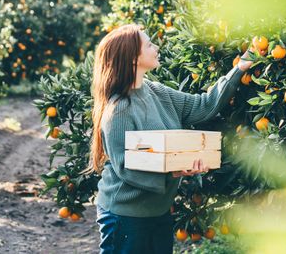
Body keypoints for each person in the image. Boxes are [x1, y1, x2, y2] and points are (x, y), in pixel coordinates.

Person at [87, 24, 252, 253]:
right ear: (133, 58)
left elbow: (203, 106)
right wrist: (172, 170)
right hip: (124, 215)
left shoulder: (157, 92)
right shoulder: (119, 110)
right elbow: (125, 167)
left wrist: (240, 69)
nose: (156, 48)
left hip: (159, 211)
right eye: (149, 44)